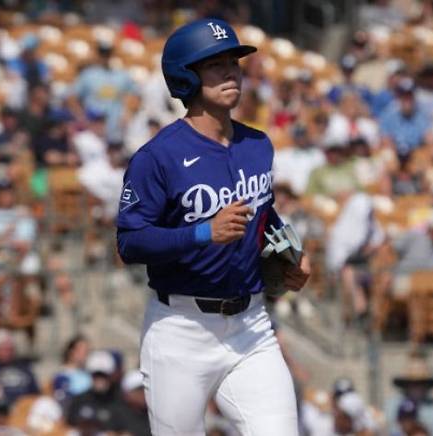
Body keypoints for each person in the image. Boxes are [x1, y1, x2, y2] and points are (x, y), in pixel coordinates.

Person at [115, 18, 310, 435]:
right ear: (186, 76)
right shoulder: (158, 156)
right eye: (214, 65)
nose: (230, 73)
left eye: (233, 63)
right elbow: (130, 242)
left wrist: (291, 253)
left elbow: (263, 213)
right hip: (181, 328)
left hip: (251, 326)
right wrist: (204, 232)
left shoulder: (257, 145)